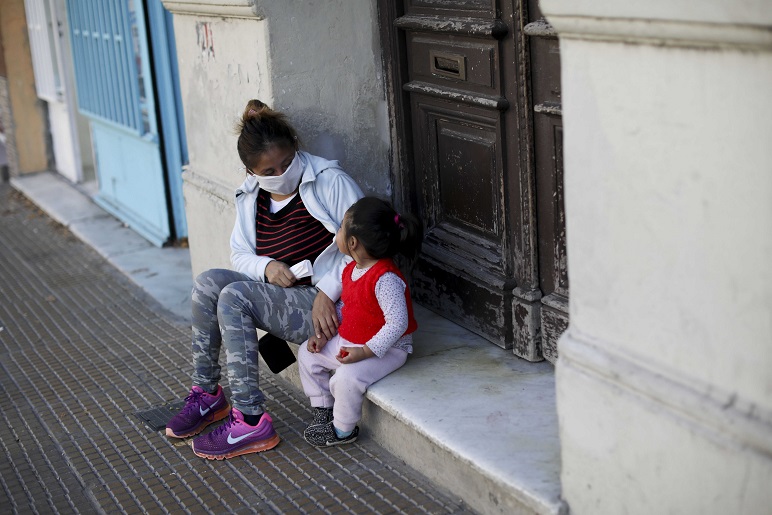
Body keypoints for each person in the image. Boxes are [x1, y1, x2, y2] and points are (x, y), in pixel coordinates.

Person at [165, 99, 363, 460]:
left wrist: (328, 292)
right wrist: (267, 266)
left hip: (331, 306)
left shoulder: (329, 182)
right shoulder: (250, 197)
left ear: (296, 147)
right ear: (251, 171)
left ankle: (252, 420)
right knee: (209, 283)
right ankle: (208, 396)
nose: (281, 172)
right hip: (284, 295)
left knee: (235, 297)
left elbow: (365, 246)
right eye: (270, 169)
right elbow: (239, 253)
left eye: (287, 162)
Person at [298, 196, 423, 447]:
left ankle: (343, 429)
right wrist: (324, 338)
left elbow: (398, 323)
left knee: (345, 379)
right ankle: (324, 406)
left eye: (342, 228)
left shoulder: (385, 278)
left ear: (352, 242)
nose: (339, 231)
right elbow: (352, 307)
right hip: (352, 342)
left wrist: (364, 352)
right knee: (307, 354)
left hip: (386, 350)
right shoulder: (351, 269)